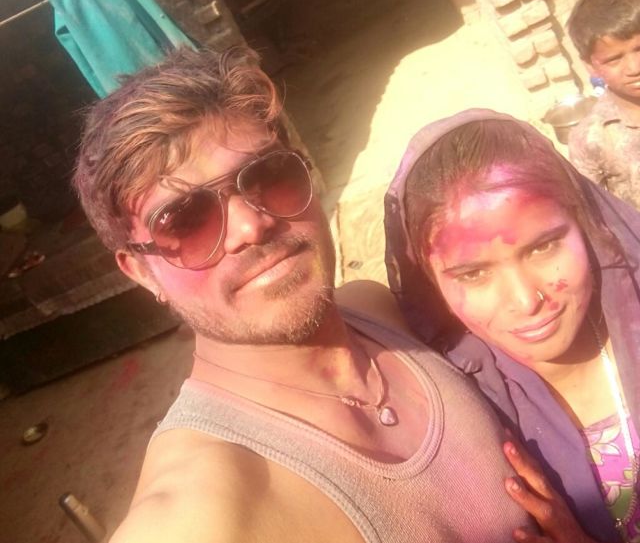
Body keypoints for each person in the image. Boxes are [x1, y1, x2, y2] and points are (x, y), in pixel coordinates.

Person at [73, 48, 531, 543]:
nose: (251, 226)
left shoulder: (376, 309)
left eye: (268, 176)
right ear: (142, 272)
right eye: (185, 220)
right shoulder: (196, 512)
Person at [384, 109, 640, 543]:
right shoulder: (465, 415)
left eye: (543, 246)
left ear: (584, 223)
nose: (526, 300)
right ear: (431, 282)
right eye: (473, 274)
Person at [567, 0, 640, 210]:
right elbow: (594, 215)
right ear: (591, 65)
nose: (634, 68)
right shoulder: (592, 138)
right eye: (614, 59)